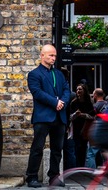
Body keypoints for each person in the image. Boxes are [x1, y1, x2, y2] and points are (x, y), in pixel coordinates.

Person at [25, 44, 70, 188]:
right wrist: (55, 102)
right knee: (37, 148)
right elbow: (37, 93)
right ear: (42, 55)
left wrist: (62, 102)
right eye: (51, 55)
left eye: (55, 55)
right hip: (43, 117)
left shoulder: (59, 74)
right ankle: (31, 177)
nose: (53, 58)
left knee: (57, 150)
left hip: (59, 117)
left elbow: (67, 90)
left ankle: (54, 177)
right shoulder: (34, 74)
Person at [69, 83, 95, 167]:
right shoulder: (74, 102)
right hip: (76, 128)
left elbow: (93, 116)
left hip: (86, 128)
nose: (78, 91)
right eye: (77, 89)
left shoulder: (89, 103)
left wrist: (84, 115)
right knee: (77, 148)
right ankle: (78, 167)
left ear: (84, 91)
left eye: (80, 89)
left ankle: (83, 166)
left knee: (84, 148)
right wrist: (75, 115)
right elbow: (69, 117)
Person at [85, 88, 108, 168]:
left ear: (95, 95)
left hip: (97, 130)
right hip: (107, 131)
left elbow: (90, 116)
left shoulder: (96, 106)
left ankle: (91, 173)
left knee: (91, 153)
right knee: (105, 153)